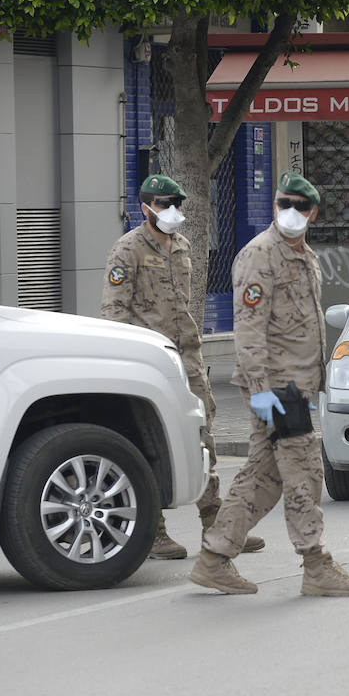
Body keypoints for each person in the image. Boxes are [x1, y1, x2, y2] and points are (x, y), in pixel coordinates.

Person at [189, 171, 349, 598]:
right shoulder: (259, 256)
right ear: (274, 207)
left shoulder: (303, 256)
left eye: (301, 207)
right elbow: (248, 331)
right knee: (305, 473)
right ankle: (316, 564)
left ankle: (214, 558)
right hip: (277, 389)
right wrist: (260, 391)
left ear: (313, 213)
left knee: (264, 477)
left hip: (297, 387)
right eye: (284, 204)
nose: (292, 213)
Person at [101, 174, 263, 560]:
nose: (172, 212)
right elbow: (113, 311)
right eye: (163, 205)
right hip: (148, 358)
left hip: (187, 355)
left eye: (177, 205)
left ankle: (215, 524)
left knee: (203, 433)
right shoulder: (127, 250)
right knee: (147, 435)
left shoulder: (183, 245)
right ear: (145, 208)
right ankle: (153, 532)